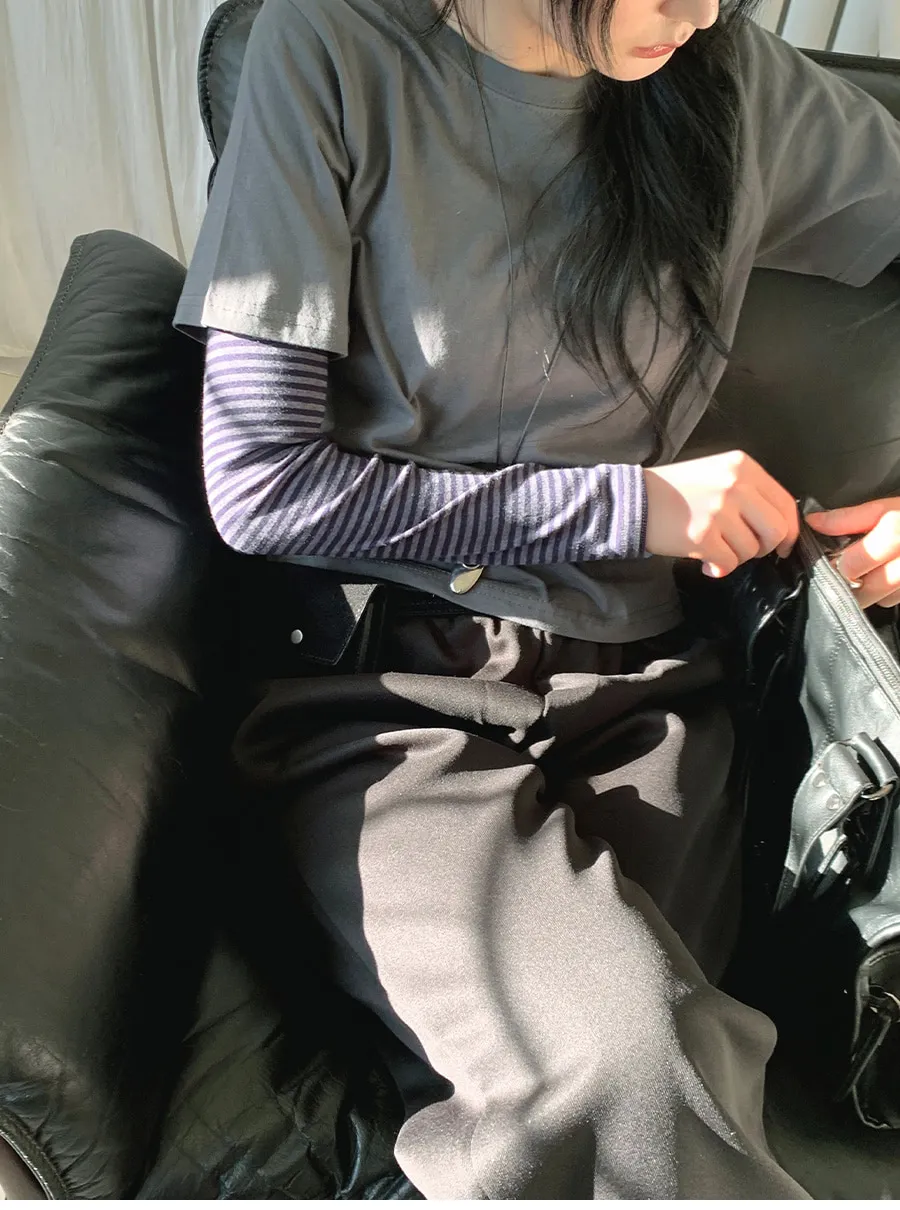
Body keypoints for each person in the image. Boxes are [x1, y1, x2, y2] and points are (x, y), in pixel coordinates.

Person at [175, 0, 900, 1196]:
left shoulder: (734, 80)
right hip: (388, 697)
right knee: (627, 1073)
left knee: (670, 1076)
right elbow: (262, 484)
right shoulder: (331, 49)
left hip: (654, 696)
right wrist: (622, 506)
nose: (701, 10)